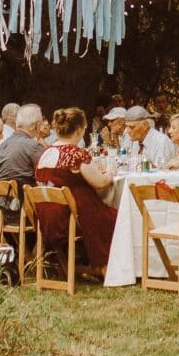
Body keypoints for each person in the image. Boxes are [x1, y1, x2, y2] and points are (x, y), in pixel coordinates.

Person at [33, 107, 118, 272]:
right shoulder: (75, 154)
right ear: (79, 130)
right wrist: (111, 172)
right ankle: (109, 266)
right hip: (72, 218)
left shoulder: (46, 152)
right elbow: (100, 183)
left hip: (46, 217)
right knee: (118, 216)